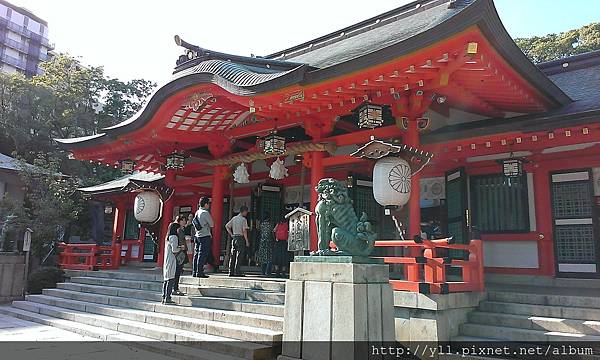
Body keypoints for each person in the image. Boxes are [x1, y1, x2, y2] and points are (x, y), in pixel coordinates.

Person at [163, 217, 186, 305]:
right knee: (170, 278)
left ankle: (164, 297)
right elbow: (175, 249)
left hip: (167, 259)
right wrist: (181, 247)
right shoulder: (174, 237)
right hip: (172, 259)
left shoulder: (168, 237)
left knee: (166, 279)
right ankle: (167, 298)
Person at [192, 197, 214, 278]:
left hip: (197, 235)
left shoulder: (197, 212)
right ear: (205, 204)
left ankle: (195, 271)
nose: (209, 205)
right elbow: (212, 224)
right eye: (208, 203)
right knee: (202, 254)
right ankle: (200, 272)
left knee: (196, 254)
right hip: (205, 235)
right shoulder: (205, 213)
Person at [226, 205, 250, 277]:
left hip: (234, 237)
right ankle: (237, 271)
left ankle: (231, 271)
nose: (246, 213)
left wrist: (231, 234)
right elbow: (244, 231)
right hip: (240, 237)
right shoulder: (243, 220)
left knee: (232, 255)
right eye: (246, 212)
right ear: (244, 211)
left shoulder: (234, 218)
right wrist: (247, 241)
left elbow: (227, 226)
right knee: (239, 255)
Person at [172, 215, 189, 296]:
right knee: (177, 270)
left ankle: (175, 287)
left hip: (180, 251)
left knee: (178, 270)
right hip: (179, 252)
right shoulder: (179, 230)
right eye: (183, 220)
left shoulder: (180, 229)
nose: (184, 222)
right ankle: (175, 288)